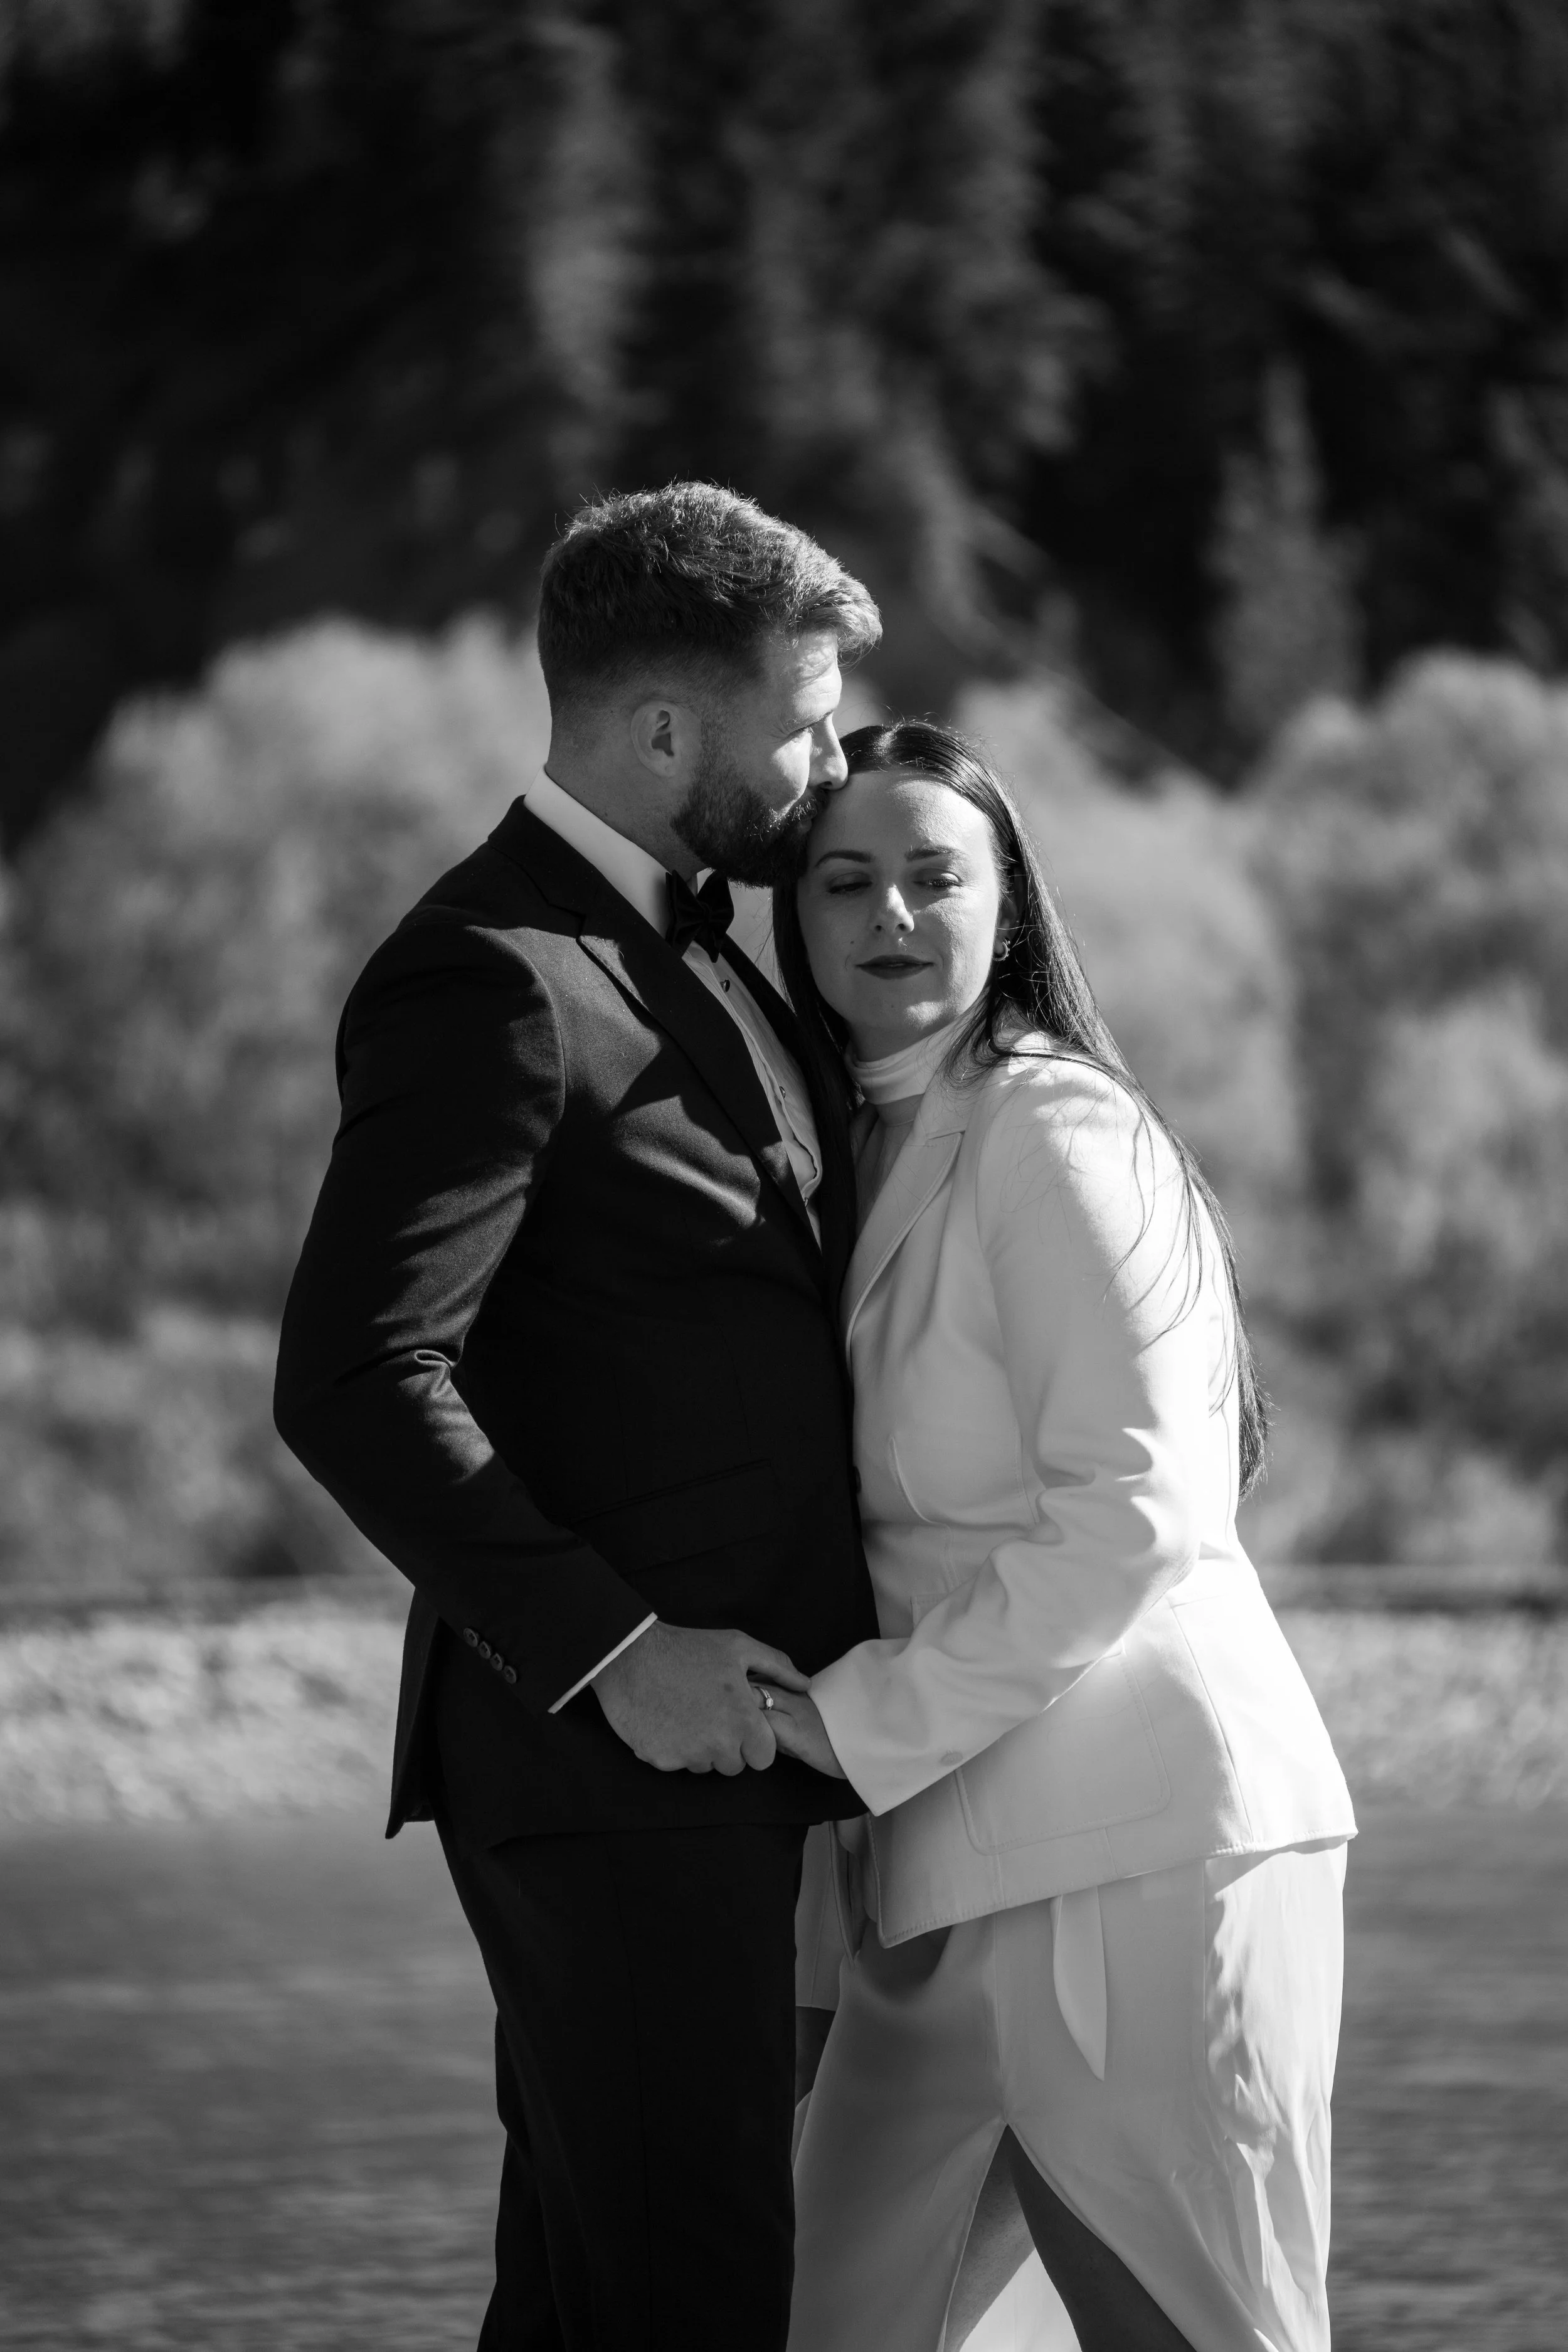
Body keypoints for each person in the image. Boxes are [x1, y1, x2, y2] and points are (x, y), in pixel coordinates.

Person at [272, 482, 884, 2351]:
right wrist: (613, 1650)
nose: (832, 758)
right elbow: (356, 1376)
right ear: (662, 730)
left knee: (587, 2301)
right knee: (685, 2300)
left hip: (724, 1779)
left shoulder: (711, 950)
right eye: (803, 719)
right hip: (609, 1771)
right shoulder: (494, 980)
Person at [763, 720, 1358, 2352]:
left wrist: (837, 1730)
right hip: (937, 1879)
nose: (891, 911)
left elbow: (1137, 1508)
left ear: (1006, 901)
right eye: (846, 879)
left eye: (935, 875)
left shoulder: (1051, 1127)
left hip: (1143, 1855)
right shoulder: (849, 1146)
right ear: (794, 919)